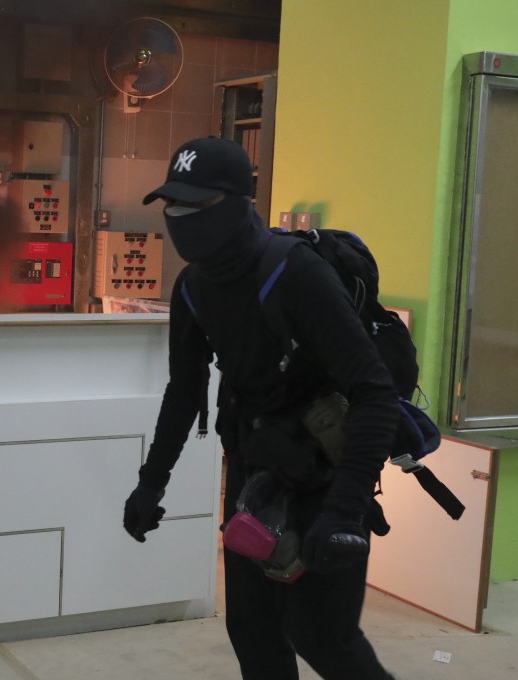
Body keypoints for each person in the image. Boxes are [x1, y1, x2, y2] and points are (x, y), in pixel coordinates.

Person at [123, 136, 399, 679]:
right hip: (254, 478)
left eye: (196, 204)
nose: (180, 217)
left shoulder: (296, 274)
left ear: (237, 201)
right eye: (171, 204)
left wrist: (344, 512)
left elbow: (375, 392)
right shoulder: (193, 289)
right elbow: (184, 390)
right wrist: (151, 482)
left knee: (324, 638)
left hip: (325, 476)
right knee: (254, 636)